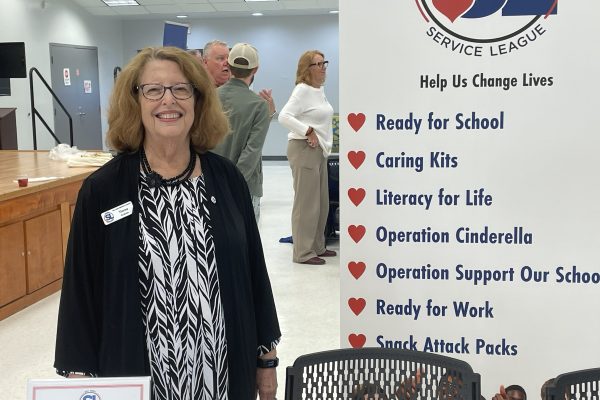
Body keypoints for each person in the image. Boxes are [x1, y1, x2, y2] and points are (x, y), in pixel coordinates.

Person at [54, 46, 281, 400]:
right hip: (136, 379)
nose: (168, 100)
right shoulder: (103, 190)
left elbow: (254, 273)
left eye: (181, 89)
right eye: (153, 90)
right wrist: (80, 382)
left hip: (223, 377)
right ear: (135, 101)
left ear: (198, 100)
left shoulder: (227, 180)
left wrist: (267, 360)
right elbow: (80, 291)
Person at [278, 50, 335, 265]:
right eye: (318, 64)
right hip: (304, 149)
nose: (323, 68)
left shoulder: (319, 90)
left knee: (321, 203)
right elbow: (284, 116)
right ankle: (303, 252)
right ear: (307, 69)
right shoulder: (302, 90)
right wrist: (307, 130)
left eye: (324, 63)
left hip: (319, 150)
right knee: (306, 204)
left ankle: (317, 246)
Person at [212, 43, 270, 221]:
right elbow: (252, 151)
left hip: (212, 182)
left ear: (228, 66)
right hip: (245, 186)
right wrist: (235, 183)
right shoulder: (259, 105)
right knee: (246, 235)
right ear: (256, 69)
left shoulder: (210, 98)